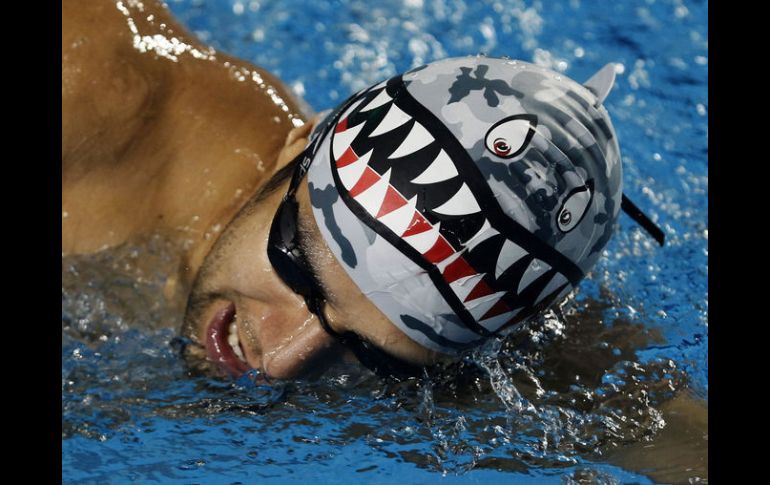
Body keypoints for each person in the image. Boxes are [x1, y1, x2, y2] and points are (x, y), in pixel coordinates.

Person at [63, 0, 662, 381]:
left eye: (367, 355)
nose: (279, 360)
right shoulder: (88, 93)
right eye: (298, 267)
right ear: (302, 145)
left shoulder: (451, 355)